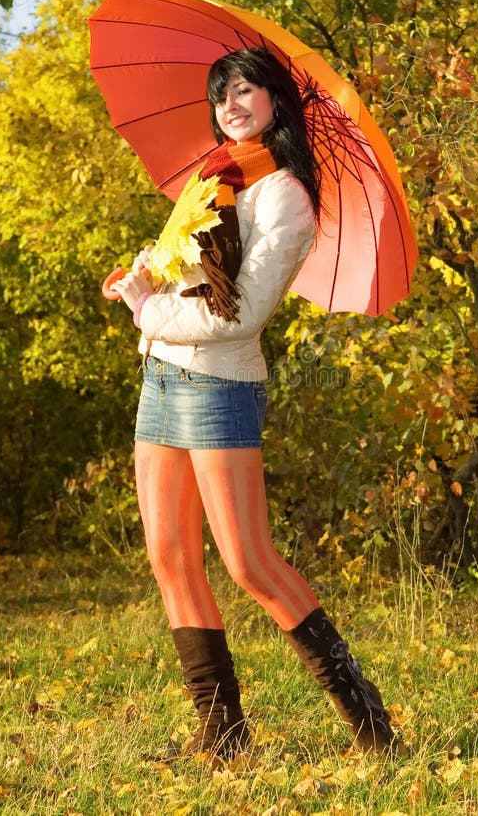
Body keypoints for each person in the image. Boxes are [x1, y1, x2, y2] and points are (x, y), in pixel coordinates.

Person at [111, 47, 397, 759]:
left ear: (276, 102)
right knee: (170, 555)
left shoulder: (287, 197)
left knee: (248, 562)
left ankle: (372, 725)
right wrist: (149, 272)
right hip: (163, 380)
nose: (232, 104)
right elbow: (194, 274)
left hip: (220, 386)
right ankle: (224, 735)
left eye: (246, 90)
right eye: (222, 94)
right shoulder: (214, 177)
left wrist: (148, 310)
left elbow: (239, 315)